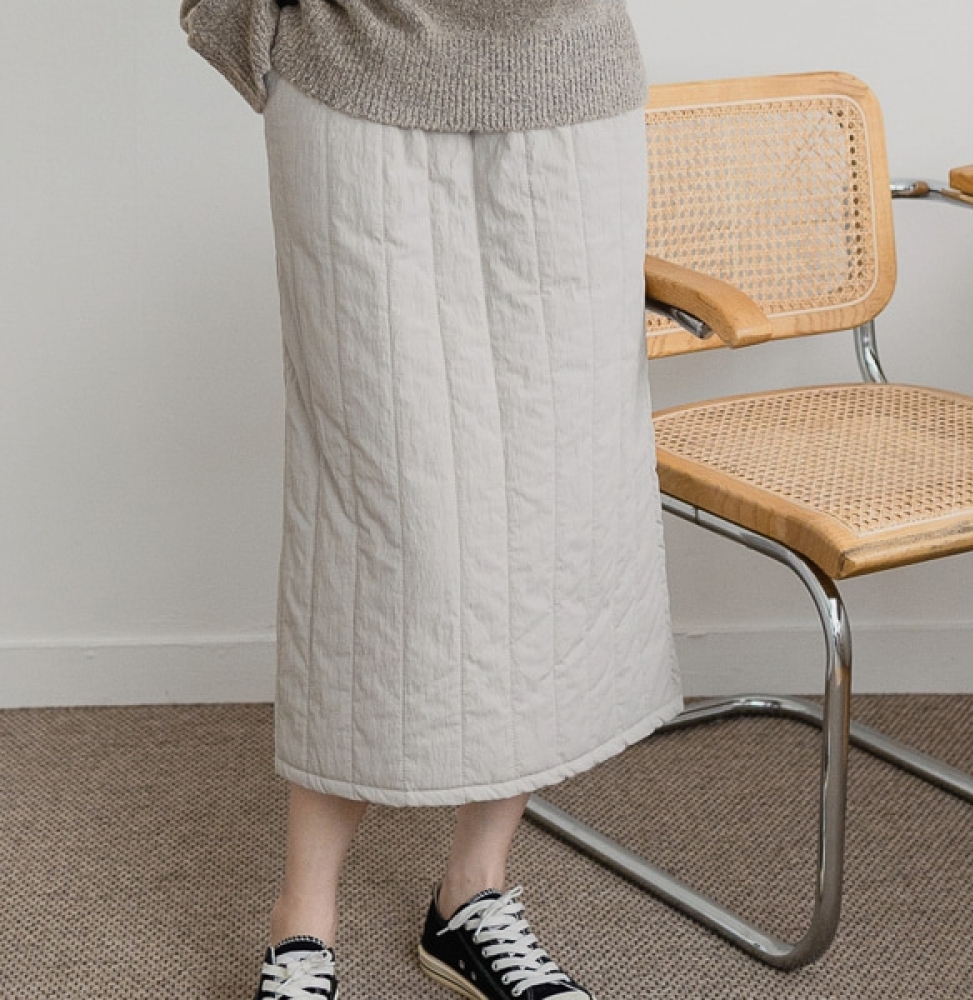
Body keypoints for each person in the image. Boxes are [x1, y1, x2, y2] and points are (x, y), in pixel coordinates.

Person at [180, 2, 684, 998]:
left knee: (550, 511)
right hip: (353, 74)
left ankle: (471, 893)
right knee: (374, 521)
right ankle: (302, 919)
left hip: (567, 91)